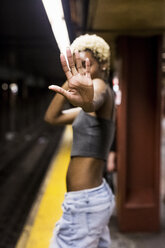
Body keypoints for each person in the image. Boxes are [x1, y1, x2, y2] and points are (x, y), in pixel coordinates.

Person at [44, 34, 115, 248]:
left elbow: (93, 100)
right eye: (78, 65)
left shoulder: (102, 87)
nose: (84, 70)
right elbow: (52, 117)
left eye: (87, 65)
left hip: (85, 203)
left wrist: (86, 100)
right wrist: (71, 79)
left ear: (103, 64)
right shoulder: (86, 109)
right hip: (92, 199)